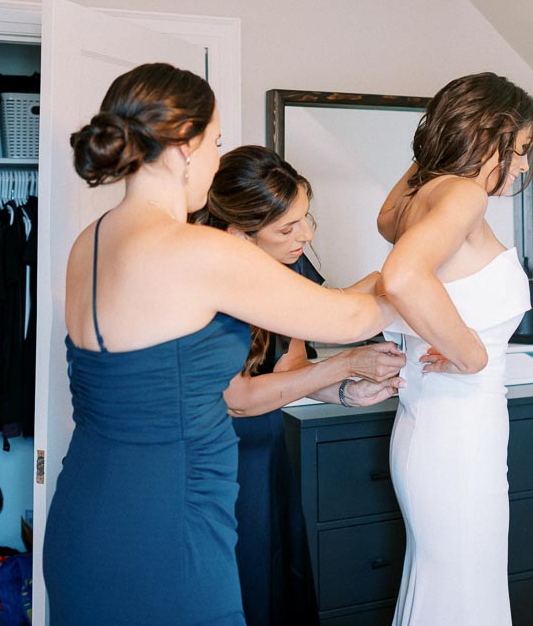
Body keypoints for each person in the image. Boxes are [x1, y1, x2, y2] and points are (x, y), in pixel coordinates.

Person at [40, 64, 392, 625]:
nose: (217, 157)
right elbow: (352, 318)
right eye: (217, 142)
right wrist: (422, 248)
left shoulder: (92, 239)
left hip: (85, 507)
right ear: (184, 146)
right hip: (167, 522)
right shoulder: (196, 250)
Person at [203, 144, 407, 626]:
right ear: (239, 234)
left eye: (306, 218)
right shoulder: (208, 284)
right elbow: (238, 398)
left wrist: (344, 391)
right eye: (288, 228)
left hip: (267, 452)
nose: (306, 235)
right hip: (218, 462)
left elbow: (290, 369)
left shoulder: (288, 267)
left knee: (277, 587)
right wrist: (342, 367)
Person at [376, 72, 533, 626]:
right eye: (518, 149)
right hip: (458, 438)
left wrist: (442, 145)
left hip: (431, 430)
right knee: (466, 593)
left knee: (449, 584)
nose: (522, 166)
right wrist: (471, 354)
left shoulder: (421, 196)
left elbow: (387, 228)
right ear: (483, 135)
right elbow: (401, 274)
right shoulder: (465, 195)